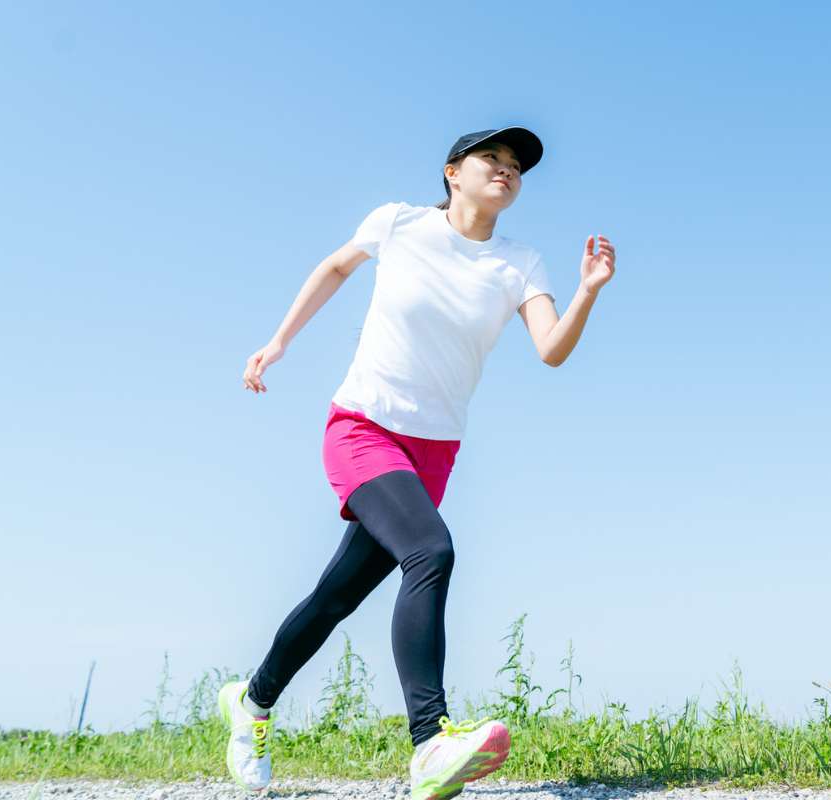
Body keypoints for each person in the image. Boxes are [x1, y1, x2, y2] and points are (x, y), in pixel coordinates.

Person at [216, 126, 617, 798]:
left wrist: (588, 290)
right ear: (452, 172)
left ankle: (250, 705)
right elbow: (337, 268)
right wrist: (278, 341)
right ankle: (430, 742)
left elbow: (550, 348)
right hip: (364, 427)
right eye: (494, 158)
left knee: (336, 596)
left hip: (433, 452)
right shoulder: (399, 222)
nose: (508, 170)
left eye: (517, 165)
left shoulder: (519, 262)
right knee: (431, 551)